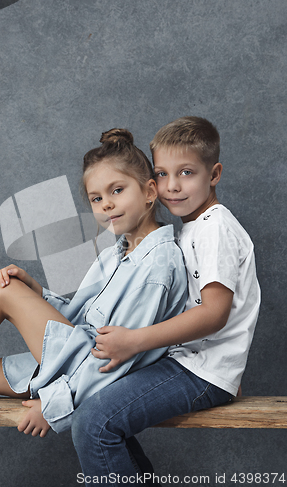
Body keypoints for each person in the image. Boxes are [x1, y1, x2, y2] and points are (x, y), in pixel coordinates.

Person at [0, 128, 187, 436]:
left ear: (149, 191)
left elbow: (119, 363)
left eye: (117, 190)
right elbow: (78, 316)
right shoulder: (116, 253)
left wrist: (52, 404)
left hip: (84, 370)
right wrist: (36, 292)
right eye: (96, 197)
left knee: (4, 292)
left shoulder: (158, 267)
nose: (106, 204)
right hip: (76, 356)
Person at [71, 117, 261, 485]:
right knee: (97, 405)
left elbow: (215, 314)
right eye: (162, 173)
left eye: (186, 172)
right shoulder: (192, 227)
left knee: (95, 424)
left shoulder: (214, 229)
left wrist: (134, 340)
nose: (172, 186)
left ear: (214, 173)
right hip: (195, 364)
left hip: (199, 371)